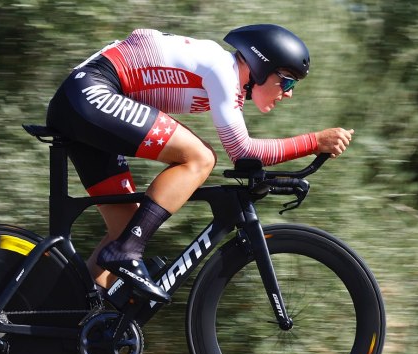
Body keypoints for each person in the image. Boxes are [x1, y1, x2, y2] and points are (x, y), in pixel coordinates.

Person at [46, 24, 354, 305]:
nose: (288, 93)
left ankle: (73, 315)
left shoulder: (224, 76)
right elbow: (242, 151)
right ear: (261, 66)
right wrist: (314, 142)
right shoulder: (222, 69)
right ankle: (125, 252)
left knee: (126, 226)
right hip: (90, 93)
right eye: (286, 81)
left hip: (83, 101)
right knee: (201, 157)